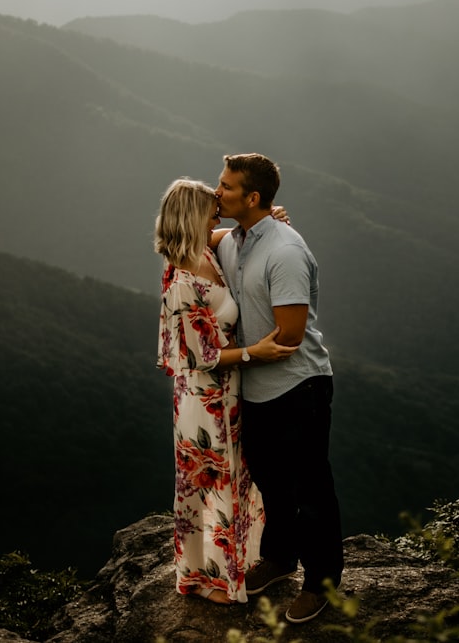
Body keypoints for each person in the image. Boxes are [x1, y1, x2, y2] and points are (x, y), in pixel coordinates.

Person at [154, 177, 297, 605]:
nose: (220, 216)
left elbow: (228, 233)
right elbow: (203, 355)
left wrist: (267, 218)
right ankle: (208, 579)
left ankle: (226, 567)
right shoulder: (184, 279)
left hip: (227, 393)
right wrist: (256, 352)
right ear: (196, 218)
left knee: (231, 481)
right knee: (211, 483)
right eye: (212, 210)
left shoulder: (204, 251)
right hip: (204, 397)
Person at [215, 153, 344, 624]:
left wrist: (239, 355)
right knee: (270, 481)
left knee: (311, 488)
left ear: (253, 197)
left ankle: (322, 582)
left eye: (226, 187)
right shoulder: (235, 239)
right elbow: (183, 241)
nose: (218, 192)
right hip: (256, 387)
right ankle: (280, 558)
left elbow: (289, 335)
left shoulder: (284, 251)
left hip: (298, 386)